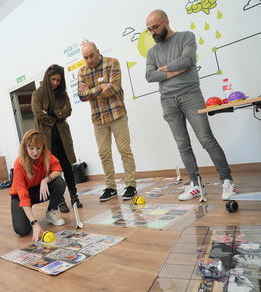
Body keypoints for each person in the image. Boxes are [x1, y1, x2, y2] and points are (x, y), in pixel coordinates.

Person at [145, 9, 238, 201]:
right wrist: (175, 70)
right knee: (182, 145)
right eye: (149, 29)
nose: (152, 32)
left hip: (190, 95)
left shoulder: (186, 37)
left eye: (155, 27)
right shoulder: (152, 52)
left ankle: (227, 181)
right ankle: (195, 184)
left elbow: (187, 60)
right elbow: (149, 76)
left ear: (166, 22)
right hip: (168, 101)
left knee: (206, 139)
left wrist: (165, 70)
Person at [78, 42, 137, 202]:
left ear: (98, 51)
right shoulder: (82, 72)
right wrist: (100, 87)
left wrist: (92, 91)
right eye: (85, 57)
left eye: (91, 55)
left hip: (117, 114)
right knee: (104, 154)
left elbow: (114, 88)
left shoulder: (112, 63)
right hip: (98, 119)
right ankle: (110, 188)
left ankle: (131, 185)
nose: (89, 60)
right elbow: (82, 96)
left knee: (124, 150)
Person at [31, 64, 83, 213]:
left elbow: (68, 110)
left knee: (67, 167)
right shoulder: (38, 94)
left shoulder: (62, 94)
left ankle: (74, 196)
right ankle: (60, 200)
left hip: (62, 138)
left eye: (58, 80)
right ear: (47, 78)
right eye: (53, 79)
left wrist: (52, 112)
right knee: (52, 170)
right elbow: (37, 113)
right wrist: (56, 116)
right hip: (46, 140)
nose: (55, 83)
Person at [9, 129, 66, 242]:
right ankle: (29, 217)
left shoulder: (45, 154)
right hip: (21, 195)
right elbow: (23, 196)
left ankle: (51, 211)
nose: (35, 152)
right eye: (31, 148)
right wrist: (34, 223)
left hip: (39, 190)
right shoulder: (19, 164)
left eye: (38, 148)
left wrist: (45, 180)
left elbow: (58, 169)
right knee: (22, 230)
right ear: (25, 148)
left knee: (59, 182)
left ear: (42, 147)